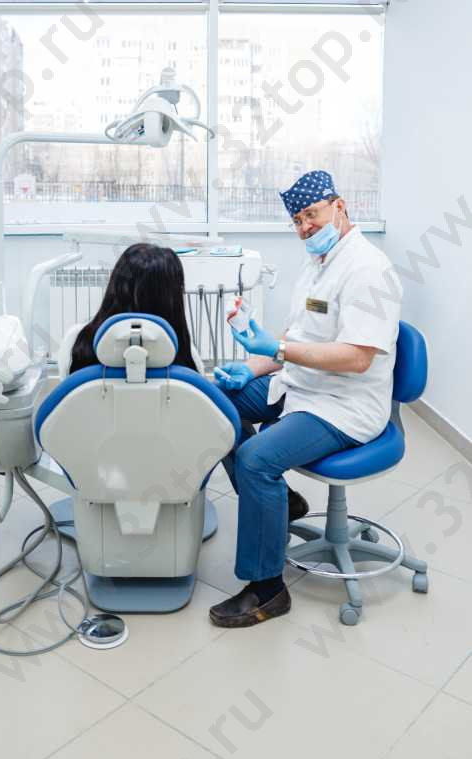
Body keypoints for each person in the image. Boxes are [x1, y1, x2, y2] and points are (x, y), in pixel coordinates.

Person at [209, 170, 403, 629]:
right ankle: (285, 504)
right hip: (301, 384)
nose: (304, 227)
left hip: (343, 404)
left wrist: (277, 351)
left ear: (340, 206)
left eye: (311, 215)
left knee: (256, 459)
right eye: (296, 221)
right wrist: (252, 367)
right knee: (213, 405)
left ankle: (268, 589)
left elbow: (356, 358)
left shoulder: (369, 270)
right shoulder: (317, 263)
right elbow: (295, 338)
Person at [56, 242, 204, 377]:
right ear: (173, 298)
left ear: (115, 287)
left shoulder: (75, 341)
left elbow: (69, 395)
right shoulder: (187, 354)